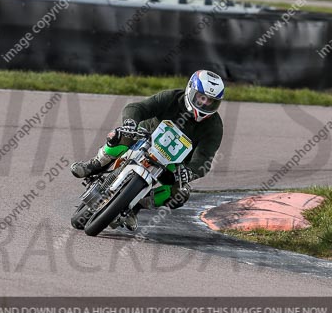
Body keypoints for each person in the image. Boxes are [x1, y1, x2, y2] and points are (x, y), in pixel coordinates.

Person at [71, 69, 225, 230]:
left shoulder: (215, 127)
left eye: (211, 101)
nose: (205, 103)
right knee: (119, 135)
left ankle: (134, 207)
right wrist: (130, 123)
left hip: (173, 163)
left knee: (180, 194)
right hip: (144, 137)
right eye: (201, 97)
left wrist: (190, 171)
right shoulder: (171, 97)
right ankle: (94, 164)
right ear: (190, 90)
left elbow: (204, 158)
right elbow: (137, 108)